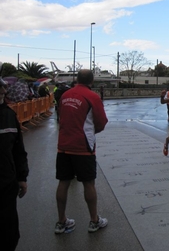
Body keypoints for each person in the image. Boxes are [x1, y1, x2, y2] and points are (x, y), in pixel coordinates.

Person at [55, 69, 108, 234]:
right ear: (92, 81)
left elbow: (60, 117)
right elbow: (101, 123)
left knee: (63, 182)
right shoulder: (92, 97)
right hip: (83, 147)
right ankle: (94, 221)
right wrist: (91, 133)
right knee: (88, 183)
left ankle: (61, 221)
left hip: (63, 145)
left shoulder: (65, 95)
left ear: (77, 79)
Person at [0, 67, 29, 251]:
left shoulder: (9, 115)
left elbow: (18, 150)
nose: (3, 91)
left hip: (6, 185)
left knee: (8, 233)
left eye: (3, 88)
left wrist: (22, 177)